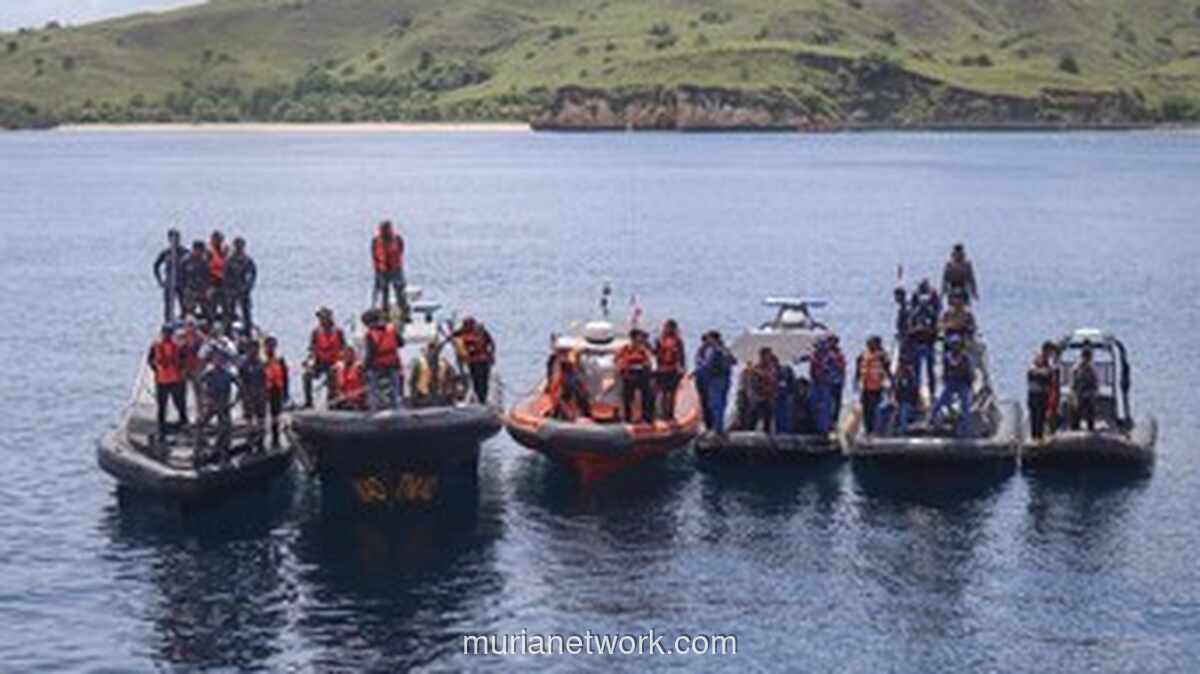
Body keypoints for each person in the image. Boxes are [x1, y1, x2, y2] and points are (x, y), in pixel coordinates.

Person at [198, 347, 238, 463]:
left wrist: (234, 401)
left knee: (226, 428)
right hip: (211, 404)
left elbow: (240, 386)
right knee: (201, 424)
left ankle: (223, 452)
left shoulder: (228, 374)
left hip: (224, 405)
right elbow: (199, 383)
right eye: (216, 359)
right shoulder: (208, 373)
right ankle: (202, 449)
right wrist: (204, 399)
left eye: (221, 359)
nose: (218, 361)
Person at [929, 334, 975, 438]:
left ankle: (967, 431)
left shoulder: (965, 357)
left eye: (957, 344)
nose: (955, 346)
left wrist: (969, 383)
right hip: (951, 383)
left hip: (962, 383)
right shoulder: (947, 357)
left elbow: (969, 372)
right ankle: (932, 421)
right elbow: (945, 370)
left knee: (965, 407)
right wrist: (945, 379)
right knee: (940, 402)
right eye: (953, 344)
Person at [148, 324, 188, 439]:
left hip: (166, 379)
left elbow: (150, 361)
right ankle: (177, 425)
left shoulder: (157, 345)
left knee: (167, 405)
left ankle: (164, 428)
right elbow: (183, 360)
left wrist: (156, 370)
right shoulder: (176, 345)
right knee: (174, 404)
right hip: (172, 379)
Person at [302, 307, 346, 408]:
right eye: (320, 318)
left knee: (332, 375)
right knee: (306, 375)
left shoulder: (338, 332)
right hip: (320, 362)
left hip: (334, 362)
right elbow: (312, 350)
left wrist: (340, 362)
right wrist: (308, 362)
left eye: (324, 317)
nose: (322, 320)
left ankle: (331, 402)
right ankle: (308, 402)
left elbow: (344, 349)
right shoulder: (315, 332)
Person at [694, 331, 736, 434]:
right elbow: (733, 361)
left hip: (715, 380)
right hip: (723, 379)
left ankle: (717, 428)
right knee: (720, 404)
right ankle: (718, 427)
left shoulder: (713, 350)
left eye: (709, 338)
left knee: (715, 404)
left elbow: (707, 365)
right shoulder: (724, 349)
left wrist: (697, 369)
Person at [907, 279, 941, 400]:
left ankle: (931, 393)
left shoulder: (932, 314)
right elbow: (910, 326)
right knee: (917, 371)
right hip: (918, 343)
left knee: (930, 370)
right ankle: (917, 393)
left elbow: (937, 323)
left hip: (928, 343)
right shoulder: (915, 314)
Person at [364, 309, 404, 410]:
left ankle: (374, 408)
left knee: (373, 388)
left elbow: (370, 353)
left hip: (377, 366)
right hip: (392, 364)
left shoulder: (370, 334)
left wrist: (365, 367)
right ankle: (396, 407)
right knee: (395, 388)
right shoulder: (392, 330)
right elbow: (401, 343)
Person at [855, 335, 893, 435]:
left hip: (878, 387)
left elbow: (888, 370)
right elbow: (858, 371)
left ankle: (875, 430)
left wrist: (891, 384)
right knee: (866, 410)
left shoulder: (882, 356)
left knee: (876, 410)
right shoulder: (862, 356)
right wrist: (856, 382)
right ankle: (868, 429)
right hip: (866, 387)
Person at [616, 329, 655, 423]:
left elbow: (649, 361)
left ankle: (647, 417)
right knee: (628, 398)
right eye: (637, 338)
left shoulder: (644, 349)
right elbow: (618, 359)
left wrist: (646, 365)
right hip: (629, 376)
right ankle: (627, 418)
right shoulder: (625, 349)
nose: (638, 340)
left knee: (648, 396)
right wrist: (623, 366)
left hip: (642, 375)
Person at [371, 221, 408, 319]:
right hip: (382, 270)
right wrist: (378, 269)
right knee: (383, 291)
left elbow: (401, 250)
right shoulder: (376, 241)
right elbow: (374, 255)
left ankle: (404, 312)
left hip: (395, 268)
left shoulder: (397, 239)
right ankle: (383, 312)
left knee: (399, 290)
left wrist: (396, 265)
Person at [455, 317, 495, 404]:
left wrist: (491, 355)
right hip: (473, 361)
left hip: (482, 361)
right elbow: (455, 336)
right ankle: (481, 399)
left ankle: (482, 399)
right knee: (477, 381)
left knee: (482, 381)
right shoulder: (463, 334)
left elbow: (491, 344)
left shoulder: (482, 332)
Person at [222, 237, 257, 335]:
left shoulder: (247, 260)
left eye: (240, 246)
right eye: (237, 246)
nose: (239, 248)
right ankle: (227, 331)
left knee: (246, 312)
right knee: (229, 312)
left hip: (244, 290)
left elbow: (252, 275)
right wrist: (228, 288)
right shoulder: (229, 260)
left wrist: (247, 287)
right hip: (232, 290)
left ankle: (247, 331)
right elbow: (225, 275)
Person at [153, 228, 189, 322]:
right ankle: (168, 323)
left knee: (184, 305)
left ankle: (184, 322)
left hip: (182, 283)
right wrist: (160, 281)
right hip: (169, 283)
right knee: (168, 307)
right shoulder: (166, 253)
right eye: (172, 239)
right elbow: (156, 266)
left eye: (177, 238)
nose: (175, 241)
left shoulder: (185, 252)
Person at [653, 320, 686, 420]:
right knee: (662, 393)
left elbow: (681, 356)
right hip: (662, 370)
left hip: (672, 370)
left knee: (671, 393)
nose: (669, 329)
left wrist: (682, 368)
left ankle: (670, 414)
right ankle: (662, 413)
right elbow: (655, 354)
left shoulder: (678, 341)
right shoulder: (659, 340)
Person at [239, 338, 267, 450]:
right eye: (250, 348)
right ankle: (249, 441)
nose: (252, 350)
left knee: (261, 418)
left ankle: (261, 441)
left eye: (255, 348)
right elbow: (240, 380)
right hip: (248, 394)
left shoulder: (262, 363)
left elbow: (266, 379)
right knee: (249, 418)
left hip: (260, 394)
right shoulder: (243, 364)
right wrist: (243, 394)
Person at [548, 347, 591, 420]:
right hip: (567, 401)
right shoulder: (562, 375)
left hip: (574, 400)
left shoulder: (577, 373)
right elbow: (555, 390)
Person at [263, 336, 289, 449]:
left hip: (277, 389)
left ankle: (276, 439)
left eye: (272, 345)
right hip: (265, 389)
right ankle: (261, 440)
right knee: (263, 415)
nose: (270, 348)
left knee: (276, 415)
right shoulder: (262, 360)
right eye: (268, 345)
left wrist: (286, 392)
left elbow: (285, 376)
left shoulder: (280, 359)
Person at [1027, 342, 1057, 441]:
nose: (1051, 355)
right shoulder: (1038, 360)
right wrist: (1044, 373)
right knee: (1036, 419)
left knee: (1041, 419)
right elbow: (1032, 372)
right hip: (1036, 394)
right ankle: (1035, 439)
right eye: (1051, 352)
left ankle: (1038, 438)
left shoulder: (1048, 364)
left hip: (1042, 394)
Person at [746, 348, 780, 433]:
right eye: (767, 355)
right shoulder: (756, 368)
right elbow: (751, 382)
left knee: (768, 416)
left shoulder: (772, 367)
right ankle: (750, 431)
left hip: (769, 395)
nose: (769, 357)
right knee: (754, 415)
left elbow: (774, 379)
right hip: (759, 395)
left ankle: (767, 432)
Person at [180, 240, 212, 322]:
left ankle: (208, 327)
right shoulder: (186, 261)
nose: (200, 253)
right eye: (199, 251)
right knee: (189, 311)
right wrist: (184, 288)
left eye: (202, 251)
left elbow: (207, 277)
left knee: (207, 310)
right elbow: (181, 276)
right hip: (190, 290)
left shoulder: (204, 262)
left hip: (201, 290)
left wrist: (206, 289)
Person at [1071, 347, 1099, 431]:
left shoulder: (1092, 369)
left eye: (1089, 357)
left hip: (1089, 391)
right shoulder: (1077, 368)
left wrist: (1094, 390)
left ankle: (1091, 425)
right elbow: (1074, 382)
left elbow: (1095, 382)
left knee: (1090, 403)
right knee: (1076, 404)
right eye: (1086, 357)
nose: (1087, 359)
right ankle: (1075, 426)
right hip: (1078, 392)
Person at [208, 230, 229, 320]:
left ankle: (227, 327)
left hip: (225, 284)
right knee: (212, 307)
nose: (218, 241)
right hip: (213, 283)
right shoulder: (208, 252)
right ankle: (211, 325)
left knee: (226, 308)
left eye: (220, 239)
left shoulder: (226, 252)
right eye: (216, 239)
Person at [774, 358, 797, 433]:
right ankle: (781, 431)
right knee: (780, 416)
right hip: (780, 397)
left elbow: (790, 384)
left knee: (785, 416)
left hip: (785, 397)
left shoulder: (785, 370)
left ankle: (784, 431)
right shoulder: (775, 371)